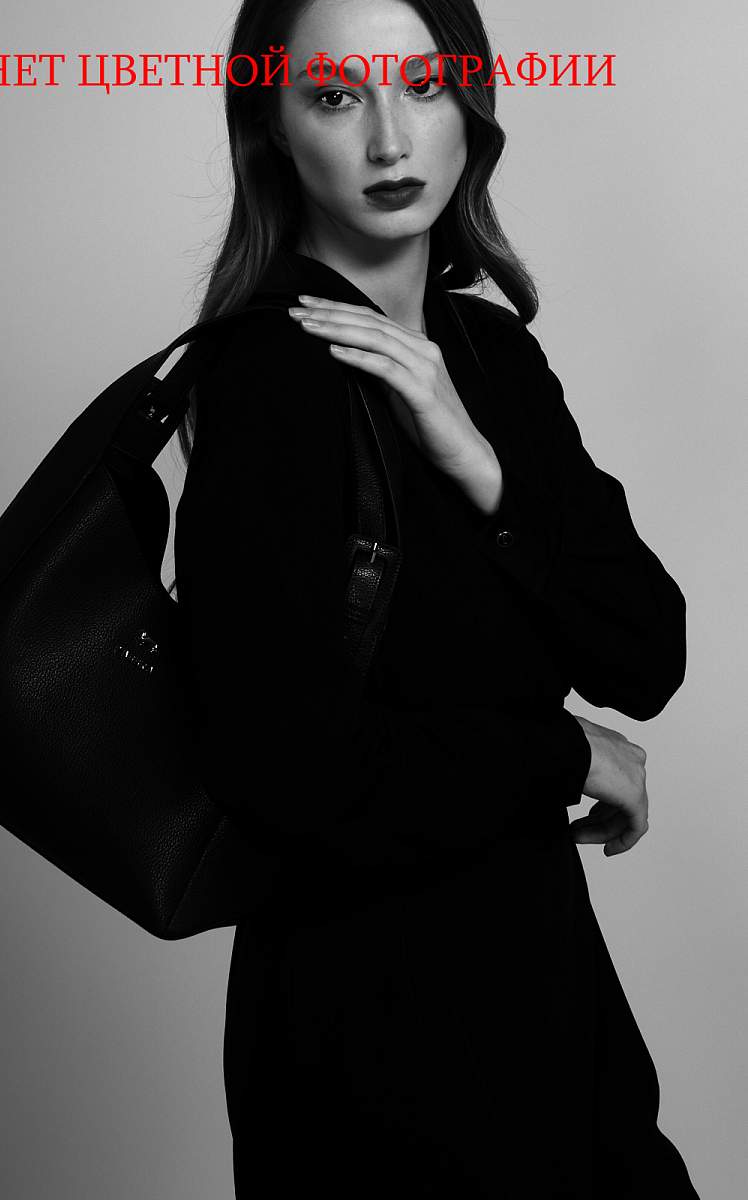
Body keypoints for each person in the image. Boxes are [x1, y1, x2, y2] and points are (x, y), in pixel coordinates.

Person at [172, 0, 700, 1195]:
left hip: (551, 1004)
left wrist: (483, 468)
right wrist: (563, 752)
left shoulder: (490, 356)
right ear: (273, 127)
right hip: (370, 1046)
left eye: (422, 86)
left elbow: (644, 651)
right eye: (336, 96)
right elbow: (285, 771)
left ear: (471, 101)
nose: (390, 140)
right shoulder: (268, 380)